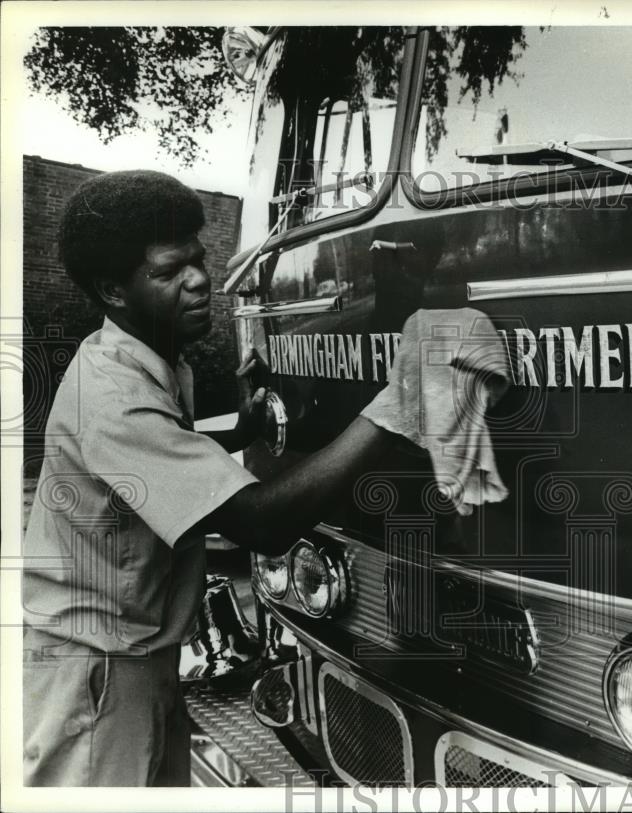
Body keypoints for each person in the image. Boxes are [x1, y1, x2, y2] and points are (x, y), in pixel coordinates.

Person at [22, 170, 393, 787]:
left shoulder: (148, 357)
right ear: (113, 290)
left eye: (198, 261)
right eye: (169, 273)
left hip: (132, 657)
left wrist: (241, 429)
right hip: (99, 676)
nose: (198, 282)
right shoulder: (115, 396)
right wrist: (397, 407)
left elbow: (164, 457)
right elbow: (260, 523)